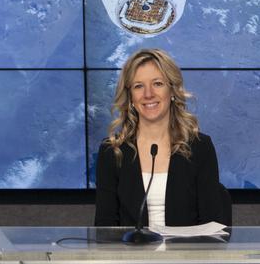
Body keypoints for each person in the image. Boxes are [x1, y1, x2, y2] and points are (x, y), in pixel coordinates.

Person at [94, 48, 231, 228]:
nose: (148, 94)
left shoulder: (199, 147)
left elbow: (212, 226)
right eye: (138, 86)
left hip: (187, 255)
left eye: (157, 83)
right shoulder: (112, 152)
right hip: (130, 255)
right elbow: (105, 229)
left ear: (172, 91)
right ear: (131, 98)